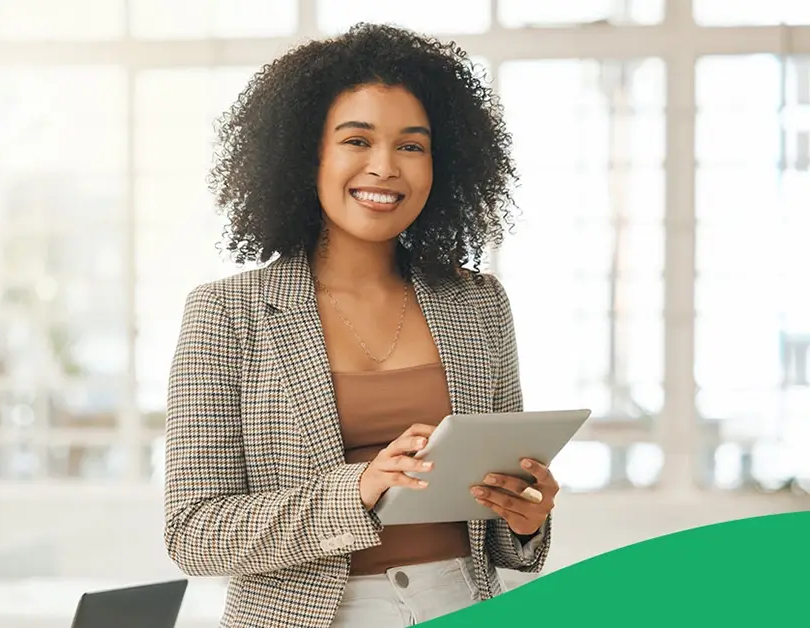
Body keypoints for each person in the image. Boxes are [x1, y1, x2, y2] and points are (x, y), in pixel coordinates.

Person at [162, 23, 559, 628]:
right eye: (356, 140)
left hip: (460, 602)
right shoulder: (227, 313)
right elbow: (193, 533)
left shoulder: (479, 303)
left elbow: (500, 537)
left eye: (411, 145)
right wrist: (361, 489)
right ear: (307, 154)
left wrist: (525, 518)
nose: (385, 168)